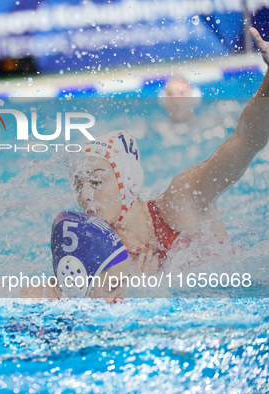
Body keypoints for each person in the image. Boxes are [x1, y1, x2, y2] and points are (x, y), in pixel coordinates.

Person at [71, 26, 269, 275]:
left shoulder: (181, 201)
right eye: (79, 185)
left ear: (128, 181)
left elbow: (246, 139)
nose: (85, 196)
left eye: (97, 182)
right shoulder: (100, 254)